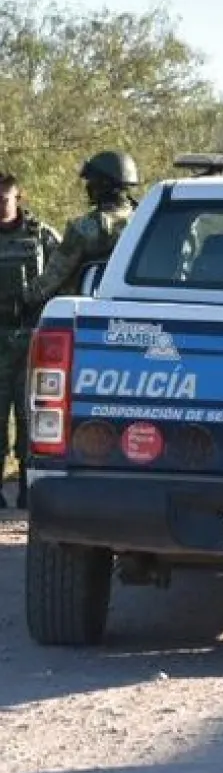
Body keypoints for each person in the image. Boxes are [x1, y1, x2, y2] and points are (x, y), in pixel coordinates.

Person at [0, 173, 62, 508]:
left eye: (3, 199)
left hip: (30, 337)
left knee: (31, 413)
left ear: (17, 198)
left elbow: (65, 273)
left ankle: (28, 484)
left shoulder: (41, 236)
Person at [21, 150, 140, 307]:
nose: (88, 186)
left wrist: (22, 298)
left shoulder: (84, 229)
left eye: (91, 181)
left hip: (84, 311)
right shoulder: (146, 221)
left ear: (102, 184)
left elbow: (53, 278)